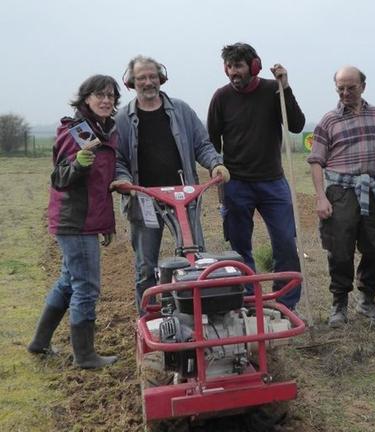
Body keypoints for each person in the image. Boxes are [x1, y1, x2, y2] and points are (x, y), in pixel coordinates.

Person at [111, 56, 229, 314]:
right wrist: (124, 180)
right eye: (141, 77)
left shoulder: (181, 111)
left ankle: (197, 316)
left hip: (183, 198)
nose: (148, 81)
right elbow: (118, 159)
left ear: (161, 78)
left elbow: (202, 145)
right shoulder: (122, 119)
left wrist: (215, 164)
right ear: (132, 82)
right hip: (144, 199)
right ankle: (149, 319)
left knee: (195, 259)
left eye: (152, 76)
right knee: (145, 267)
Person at [28, 75, 121, 369]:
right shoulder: (81, 131)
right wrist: (77, 164)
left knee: (68, 282)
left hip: (84, 220)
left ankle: (40, 342)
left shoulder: (104, 130)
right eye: (99, 95)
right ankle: (85, 355)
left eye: (110, 96)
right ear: (86, 100)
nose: (106, 100)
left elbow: (99, 186)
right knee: (86, 287)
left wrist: (106, 223)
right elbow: (59, 178)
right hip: (75, 222)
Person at [207, 42, 305, 310]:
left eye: (238, 66)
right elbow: (211, 142)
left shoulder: (273, 91)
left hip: (273, 182)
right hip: (236, 184)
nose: (233, 72)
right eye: (229, 67)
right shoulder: (221, 97)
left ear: (254, 66)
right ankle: (248, 302)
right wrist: (217, 173)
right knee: (239, 249)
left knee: (285, 242)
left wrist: (285, 87)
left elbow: (296, 125)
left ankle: (285, 304)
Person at [308, 66, 375, 327]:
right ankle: (339, 304)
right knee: (339, 249)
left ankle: (368, 301)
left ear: (363, 85)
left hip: (371, 190)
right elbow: (316, 161)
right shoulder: (328, 121)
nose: (345, 92)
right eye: (340, 88)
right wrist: (320, 197)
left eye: (351, 87)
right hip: (340, 193)